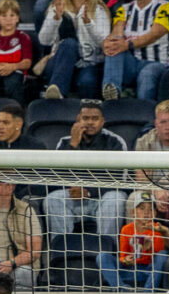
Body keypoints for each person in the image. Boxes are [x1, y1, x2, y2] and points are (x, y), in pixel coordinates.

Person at [45, 99, 129, 241]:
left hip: (102, 198)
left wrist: (89, 192)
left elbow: (119, 179)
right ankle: (61, 250)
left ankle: (107, 250)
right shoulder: (65, 142)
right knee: (53, 199)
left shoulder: (115, 142)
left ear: (102, 121)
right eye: (86, 118)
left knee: (115, 199)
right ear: (78, 119)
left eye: (95, 119)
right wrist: (72, 146)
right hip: (74, 198)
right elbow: (56, 176)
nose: (90, 122)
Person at [100, 0, 169, 101]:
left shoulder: (165, 6)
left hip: (157, 63)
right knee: (114, 48)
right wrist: (109, 43)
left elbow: (154, 34)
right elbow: (116, 33)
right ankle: (111, 92)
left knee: (147, 73)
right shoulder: (124, 9)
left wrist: (127, 44)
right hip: (132, 63)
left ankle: (144, 108)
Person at [97, 191, 169, 290]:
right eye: (142, 208)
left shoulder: (158, 229)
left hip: (149, 272)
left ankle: (148, 291)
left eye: (150, 209)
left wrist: (148, 248)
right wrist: (126, 260)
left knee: (163, 254)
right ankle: (121, 289)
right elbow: (122, 258)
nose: (146, 212)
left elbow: (159, 259)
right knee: (102, 256)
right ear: (133, 212)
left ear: (154, 214)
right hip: (129, 270)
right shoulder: (126, 229)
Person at [40, 0, 111, 99]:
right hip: (59, 62)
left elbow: (104, 43)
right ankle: (57, 93)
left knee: (87, 82)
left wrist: (89, 24)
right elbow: (44, 40)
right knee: (69, 43)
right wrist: (55, 20)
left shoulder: (99, 10)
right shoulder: (57, 6)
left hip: (88, 64)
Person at [0, 0, 32, 103]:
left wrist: (11, 67)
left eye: (12, 15)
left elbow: (27, 63)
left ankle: (17, 111)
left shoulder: (23, 37)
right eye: (4, 16)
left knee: (13, 85)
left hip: (16, 70)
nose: (8, 19)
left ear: (17, 18)